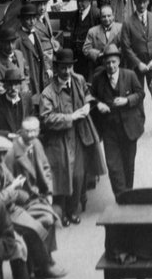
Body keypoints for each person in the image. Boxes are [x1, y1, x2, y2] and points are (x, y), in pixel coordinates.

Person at [0, 134, 65, 279]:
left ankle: (40, 266)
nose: (1, 158)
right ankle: (42, 266)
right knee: (29, 233)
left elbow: (14, 185)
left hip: (12, 207)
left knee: (48, 217)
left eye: (4, 153)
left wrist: (16, 191)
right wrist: (11, 189)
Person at [38, 48, 103, 225]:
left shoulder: (78, 80)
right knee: (62, 176)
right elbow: (46, 118)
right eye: (63, 68)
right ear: (56, 68)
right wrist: (71, 117)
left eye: (69, 67)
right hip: (59, 139)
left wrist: (88, 105)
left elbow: (88, 93)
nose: (67, 71)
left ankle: (72, 210)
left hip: (80, 135)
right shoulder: (48, 93)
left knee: (78, 175)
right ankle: (63, 212)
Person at [90, 44, 145, 199]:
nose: (111, 66)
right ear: (103, 63)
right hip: (109, 129)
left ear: (119, 61)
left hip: (129, 128)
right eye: (107, 63)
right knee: (113, 167)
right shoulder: (98, 78)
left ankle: (128, 195)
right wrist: (98, 104)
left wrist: (127, 100)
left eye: (113, 62)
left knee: (128, 165)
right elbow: (90, 96)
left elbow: (140, 93)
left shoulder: (130, 75)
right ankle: (121, 198)